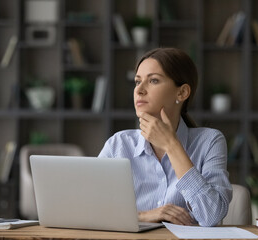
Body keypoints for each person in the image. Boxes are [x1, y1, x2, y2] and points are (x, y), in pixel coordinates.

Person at [98, 47, 232, 227]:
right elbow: (92, 209)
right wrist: (143, 215)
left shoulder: (210, 141)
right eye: (137, 82)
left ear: (182, 93)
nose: (140, 90)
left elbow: (212, 216)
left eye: (153, 80)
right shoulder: (118, 144)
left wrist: (171, 144)